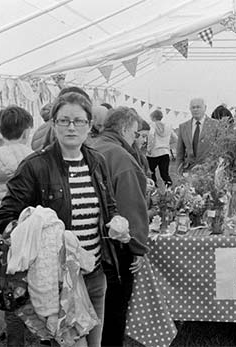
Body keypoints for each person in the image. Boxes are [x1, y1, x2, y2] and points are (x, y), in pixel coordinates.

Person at [0, 92, 128, 347]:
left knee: (94, 343)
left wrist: (117, 223)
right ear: (53, 123)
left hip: (95, 274)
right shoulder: (35, 165)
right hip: (59, 282)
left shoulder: (97, 161)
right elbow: (6, 217)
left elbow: (109, 207)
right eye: (64, 120)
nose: (71, 127)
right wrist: (36, 228)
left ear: (89, 125)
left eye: (79, 121)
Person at [90, 107, 149, 347]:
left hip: (87, 244)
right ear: (124, 128)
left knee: (89, 311)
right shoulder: (121, 157)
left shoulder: (90, 147)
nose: (136, 139)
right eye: (135, 133)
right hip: (114, 248)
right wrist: (137, 247)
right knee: (114, 312)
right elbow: (130, 206)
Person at [0, 106, 33, 347]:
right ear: (27, 131)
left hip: (4, 238)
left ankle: (15, 341)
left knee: (10, 290)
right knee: (41, 285)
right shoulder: (35, 157)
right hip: (32, 234)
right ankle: (46, 335)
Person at [177, 98, 219, 173]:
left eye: (198, 107)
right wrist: (179, 171)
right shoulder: (183, 127)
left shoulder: (216, 125)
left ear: (205, 108)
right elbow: (180, 153)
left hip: (209, 171)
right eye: (193, 107)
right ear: (190, 109)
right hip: (189, 170)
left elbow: (220, 151)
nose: (195, 109)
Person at [147, 109, 177, 186]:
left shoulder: (152, 125)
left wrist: (149, 148)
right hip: (165, 152)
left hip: (153, 153)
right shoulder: (168, 126)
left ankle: (153, 190)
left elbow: (151, 136)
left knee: (151, 173)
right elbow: (175, 138)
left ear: (153, 118)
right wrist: (167, 144)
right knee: (165, 174)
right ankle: (169, 190)